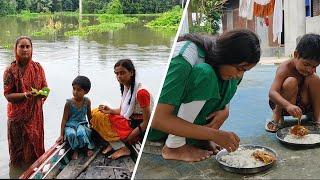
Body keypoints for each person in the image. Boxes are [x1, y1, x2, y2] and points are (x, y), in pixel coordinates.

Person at [147, 29, 261, 162]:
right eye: (240, 68)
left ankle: (198, 138)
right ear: (226, 56)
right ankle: (174, 146)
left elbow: (230, 83)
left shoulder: (222, 65)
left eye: (245, 70)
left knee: (231, 79)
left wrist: (225, 110)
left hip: (186, 124)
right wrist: (214, 135)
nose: (240, 74)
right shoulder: (182, 59)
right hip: (160, 129)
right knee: (205, 74)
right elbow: (158, 119)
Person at [91, 59, 152, 160]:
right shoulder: (126, 87)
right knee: (95, 112)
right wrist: (110, 110)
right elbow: (121, 110)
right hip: (129, 120)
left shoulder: (141, 92)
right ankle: (115, 142)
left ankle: (122, 147)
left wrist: (129, 138)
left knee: (99, 118)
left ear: (131, 72)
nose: (119, 77)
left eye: (122, 73)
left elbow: (147, 121)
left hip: (137, 127)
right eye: (117, 74)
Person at [3, 36, 48, 166]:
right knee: (17, 153)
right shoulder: (9, 71)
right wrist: (25, 95)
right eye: (21, 47)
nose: (25, 49)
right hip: (16, 118)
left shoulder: (38, 68)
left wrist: (41, 94)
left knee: (35, 151)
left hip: (34, 116)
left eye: (27, 46)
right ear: (16, 49)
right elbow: (8, 95)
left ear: (31, 49)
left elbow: (45, 89)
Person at [265, 33, 320, 132]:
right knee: (291, 81)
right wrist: (288, 105)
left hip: (303, 105)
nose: (309, 69)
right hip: (284, 105)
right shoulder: (285, 68)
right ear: (296, 55)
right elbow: (272, 93)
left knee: (315, 78)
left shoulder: (310, 71)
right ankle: (276, 117)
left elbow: (313, 87)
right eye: (306, 64)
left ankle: (317, 118)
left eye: (314, 66)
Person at [56, 76, 95, 160]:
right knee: (71, 134)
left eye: (79, 90)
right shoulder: (69, 103)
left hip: (82, 124)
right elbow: (64, 119)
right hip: (70, 125)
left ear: (86, 91)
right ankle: (75, 150)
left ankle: (87, 147)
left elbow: (89, 115)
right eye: (74, 89)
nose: (75, 92)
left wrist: (92, 125)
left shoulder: (87, 101)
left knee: (81, 132)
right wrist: (61, 135)